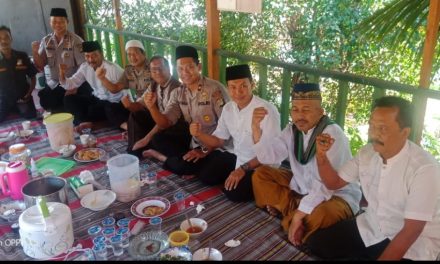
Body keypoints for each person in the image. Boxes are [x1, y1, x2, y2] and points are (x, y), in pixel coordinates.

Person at [306, 96, 440, 260]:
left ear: (405, 132)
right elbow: (334, 183)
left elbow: (411, 230)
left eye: (382, 128)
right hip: (372, 226)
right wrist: (321, 156)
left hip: (413, 243)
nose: (374, 134)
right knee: (316, 244)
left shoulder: (424, 169)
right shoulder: (367, 153)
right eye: (371, 126)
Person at [251, 83, 362, 247]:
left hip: (336, 195)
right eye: (295, 109)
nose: (300, 115)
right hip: (301, 188)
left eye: (306, 109)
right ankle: (299, 218)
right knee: (260, 175)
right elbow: (267, 156)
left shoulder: (332, 134)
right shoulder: (292, 130)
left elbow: (327, 186)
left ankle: (292, 216)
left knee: (324, 214)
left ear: (320, 112)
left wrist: (297, 215)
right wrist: (255, 127)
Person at [189, 64, 281, 202]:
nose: (238, 92)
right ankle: (234, 179)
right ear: (227, 88)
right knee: (206, 176)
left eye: (244, 86)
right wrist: (199, 134)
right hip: (237, 157)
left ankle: (267, 188)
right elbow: (219, 141)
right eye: (233, 87)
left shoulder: (266, 110)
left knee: (234, 193)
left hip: (261, 166)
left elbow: (268, 155)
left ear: (252, 85)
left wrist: (242, 169)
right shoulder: (228, 108)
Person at [143, 45, 228, 177]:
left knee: (208, 175)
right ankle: (187, 163)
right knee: (158, 139)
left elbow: (227, 127)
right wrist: (152, 107)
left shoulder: (214, 89)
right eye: (180, 69)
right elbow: (165, 123)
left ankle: (168, 160)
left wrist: (204, 150)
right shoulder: (179, 92)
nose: (185, 72)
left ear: (198, 67)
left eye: (189, 67)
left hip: (217, 145)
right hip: (194, 142)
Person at [59, 40, 128, 130]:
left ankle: (94, 124)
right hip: (97, 100)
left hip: (113, 103)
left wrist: (103, 78)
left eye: (94, 55)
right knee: (69, 99)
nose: (91, 59)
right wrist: (62, 74)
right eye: (87, 56)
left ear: (101, 55)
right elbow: (71, 84)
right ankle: (83, 124)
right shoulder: (85, 67)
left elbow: (122, 92)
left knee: (108, 111)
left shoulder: (113, 68)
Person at [31, 8, 89, 113]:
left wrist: (74, 86)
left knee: (73, 100)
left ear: (67, 22)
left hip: (72, 82)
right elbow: (40, 65)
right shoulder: (46, 40)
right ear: (50, 22)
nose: (58, 25)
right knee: (45, 101)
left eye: (61, 21)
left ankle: (67, 106)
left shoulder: (76, 40)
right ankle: (63, 106)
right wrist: (35, 52)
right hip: (55, 82)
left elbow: (84, 66)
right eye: (54, 22)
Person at [130, 55, 186, 157]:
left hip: (173, 127)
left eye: (161, 68)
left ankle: (142, 148)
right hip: (159, 122)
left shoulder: (177, 87)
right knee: (136, 115)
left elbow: (165, 122)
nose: (158, 72)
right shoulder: (154, 85)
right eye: (154, 70)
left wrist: (146, 138)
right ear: (150, 73)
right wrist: (127, 103)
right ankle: (135, 146)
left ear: (169, 69)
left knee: (157, 139)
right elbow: (140, 104)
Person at [97, 39, 151, 131]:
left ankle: (135, 128)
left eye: (135, 53)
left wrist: (131, 105)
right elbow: (115, 88)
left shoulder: (152, 68)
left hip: (149, 106)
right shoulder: (129, 70)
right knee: (111, 107)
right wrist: (102, 78)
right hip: (135, 104)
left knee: (139, 115)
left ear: (144, 54)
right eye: (129, 54)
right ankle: (129, 128)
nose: (132, 57)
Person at [0, 25, 37, 122]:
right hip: (4, 99)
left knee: (31, 116)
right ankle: (11, 109)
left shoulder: (22, 56)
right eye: (0, 38)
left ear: (11, 39)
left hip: (22, 97)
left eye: (6, 37)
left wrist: (28, 94)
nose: (3, 41)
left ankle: (16, 109)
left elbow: (33, 76)